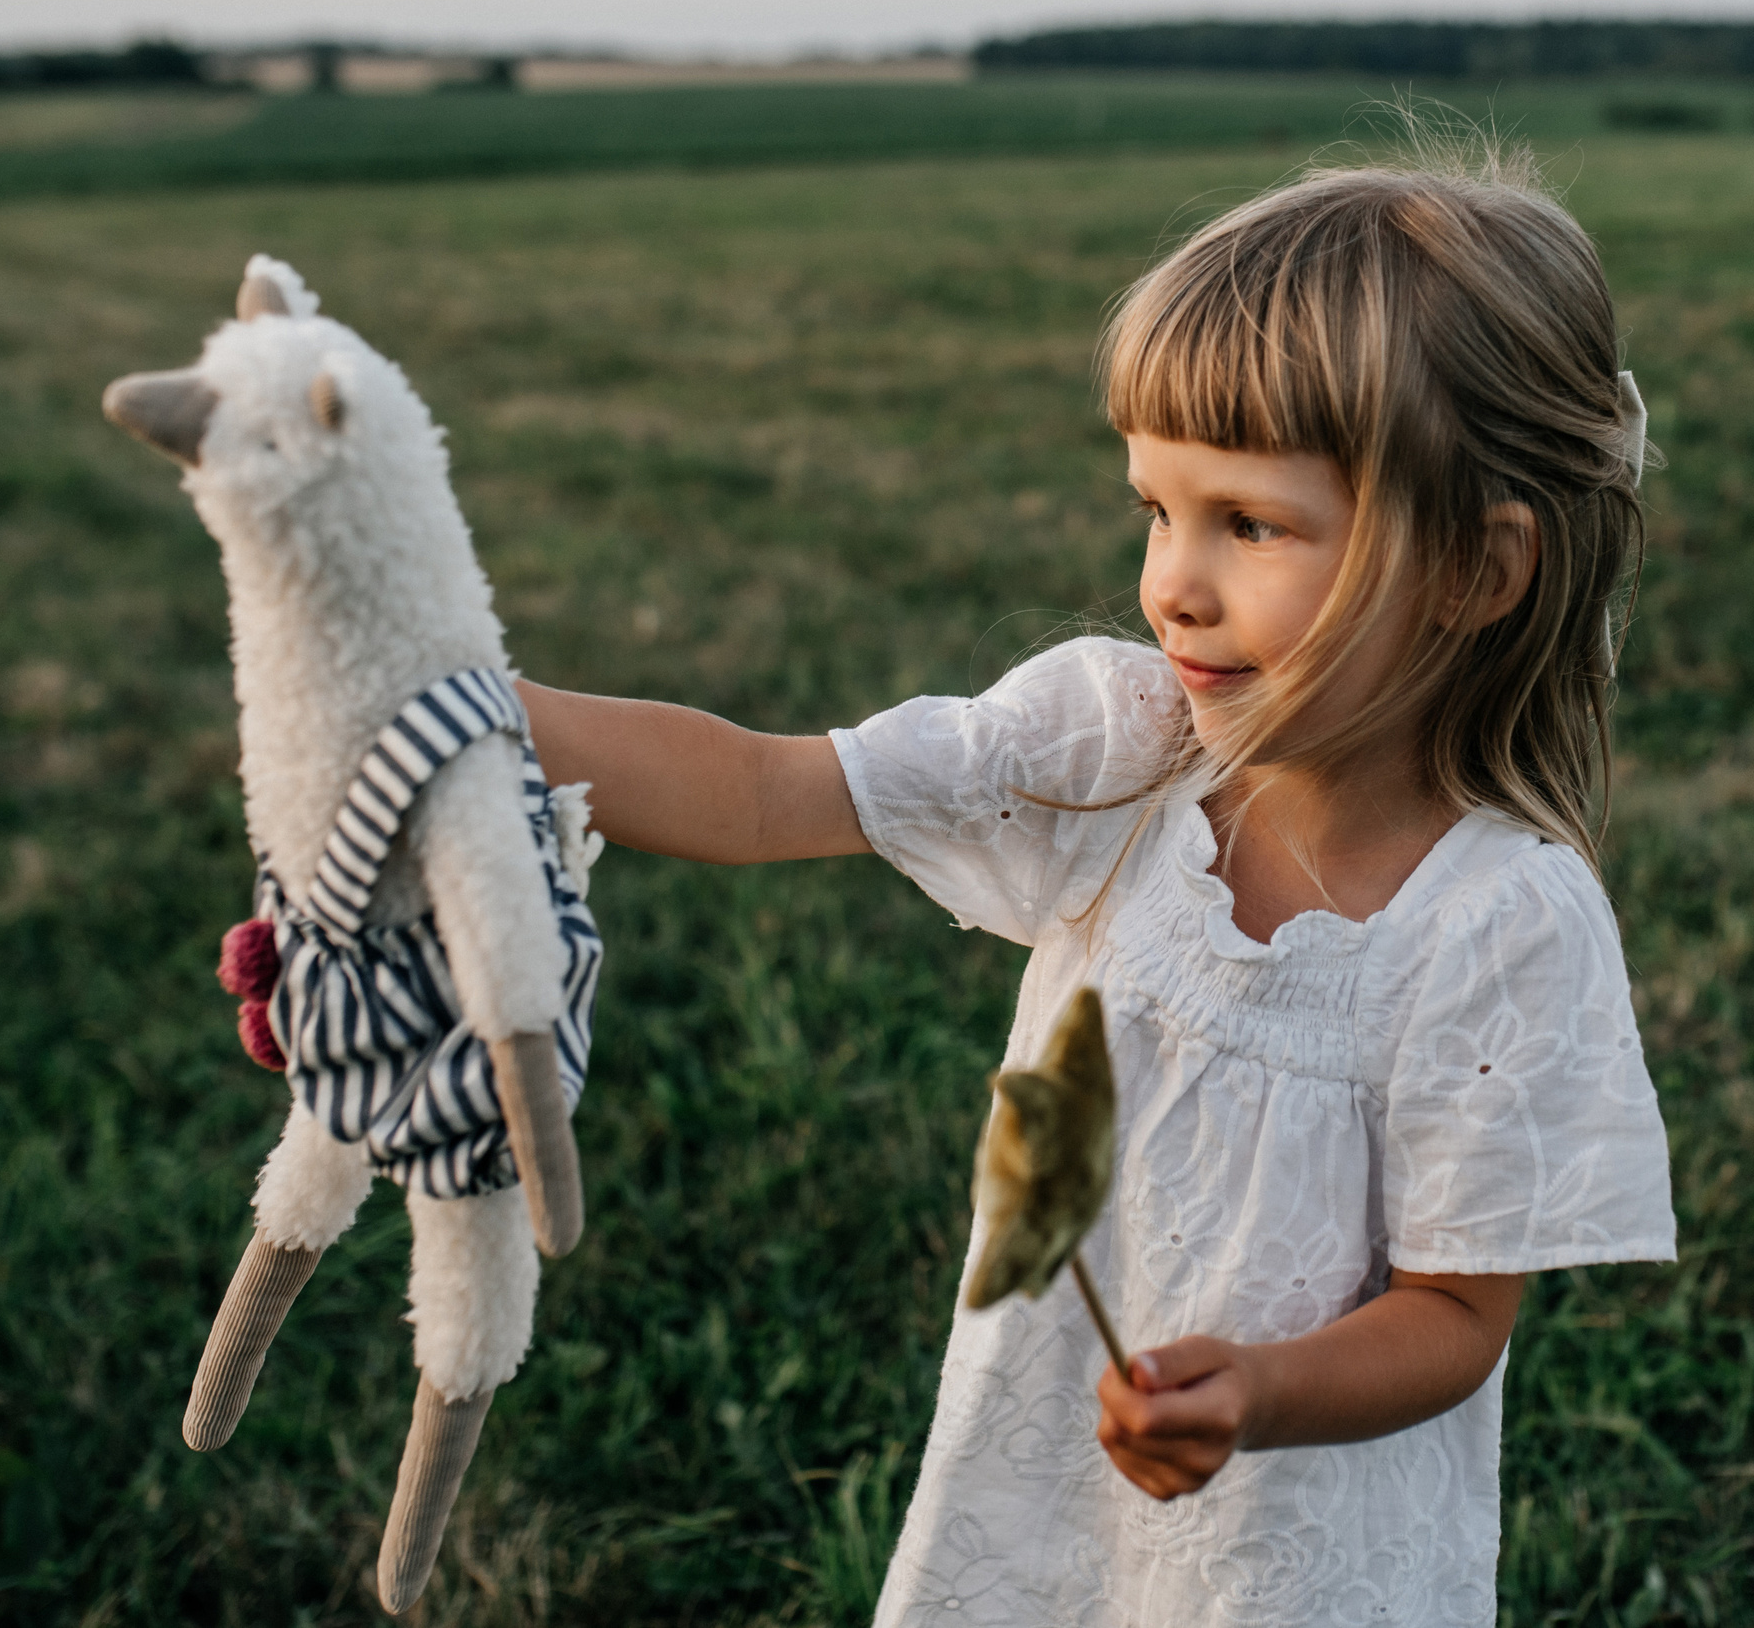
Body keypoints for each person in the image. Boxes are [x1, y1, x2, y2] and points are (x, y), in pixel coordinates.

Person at [520, 147, 1678, 1626]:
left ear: (1474, 569)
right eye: (1156, 508)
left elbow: (1455, 1317)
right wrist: (467, 714)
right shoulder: (1117, 756)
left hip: (1293, 1551)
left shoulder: (1497, 918)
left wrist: (1260, 1387)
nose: (1172, 584)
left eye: (1248, 524)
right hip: (1041, 1480)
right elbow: (763, 791)